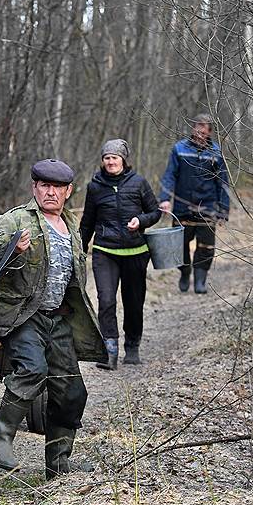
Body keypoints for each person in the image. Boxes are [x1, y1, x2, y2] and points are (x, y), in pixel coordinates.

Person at [0, 159, 106, 479]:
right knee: (33, 370)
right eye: (44, 186)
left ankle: (58, 465)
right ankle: (0, 440)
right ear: (34, 188)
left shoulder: (72, 225)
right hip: (24, 315)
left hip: (58, 318)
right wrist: (11, 249)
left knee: (72, 392)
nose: (50, 193)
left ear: (68, 192)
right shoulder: (16, 220)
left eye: (57, 188)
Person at [79, 139, 161, 369]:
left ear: (123, 160)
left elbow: (155, 212)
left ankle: (132, 347)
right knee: (105, 300)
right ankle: (110, 350)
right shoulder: (95, 186)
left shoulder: (138, 183)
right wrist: (80, 249)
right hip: (105, 250)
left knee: (133, 302)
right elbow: (87, 222)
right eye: (107, 157)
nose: (110, 161)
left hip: (136, 251)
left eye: (114, 157)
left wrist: (141, 221)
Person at [159, 114, 230, 294]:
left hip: (208, 206)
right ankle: (184, 272)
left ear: (209, 131)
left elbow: (223, 182)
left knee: (205, 246)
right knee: (179, 244)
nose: (200, 130)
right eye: (197, 126)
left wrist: (223, 209)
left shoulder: (216, 152)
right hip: (183, 207)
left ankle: (200, 279)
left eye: (204, 127)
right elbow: (169, 176)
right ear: (193, 128)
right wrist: (165, 199)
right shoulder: (179, 149)